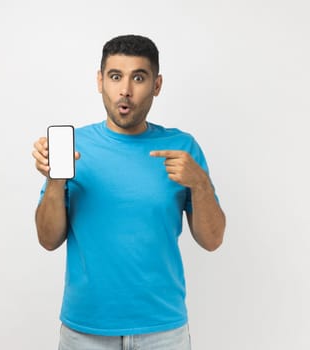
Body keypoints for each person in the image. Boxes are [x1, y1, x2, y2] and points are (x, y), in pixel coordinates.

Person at [32, 34, 226, 350]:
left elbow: (212, 240)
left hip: (163, 331)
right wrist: (55, 179)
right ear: (100, 81)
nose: (125, 90)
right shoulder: (73, 148)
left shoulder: (182, 148)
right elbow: (48, 239)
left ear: (157, 85)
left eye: (138, 77)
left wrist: (200, 184)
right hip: (86, 331)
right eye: (115, 76)